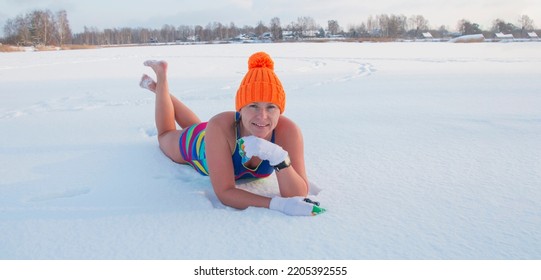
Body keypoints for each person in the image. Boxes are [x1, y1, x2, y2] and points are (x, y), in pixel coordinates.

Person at [140, 52, 325, 216]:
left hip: (214, 136)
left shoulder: (288, 131)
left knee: (198, 125)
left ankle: (160, 91)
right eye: (253, 106)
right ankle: (161, 79)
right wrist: (277, 205)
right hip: (197, 144)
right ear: (240, 109)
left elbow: (298, 193)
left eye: (271, 107)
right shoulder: (220, 127)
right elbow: (225, 193)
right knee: (165, 134)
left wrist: (278, 157)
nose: (262, 116)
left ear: (280, 110)